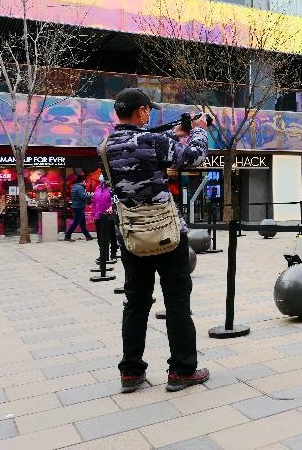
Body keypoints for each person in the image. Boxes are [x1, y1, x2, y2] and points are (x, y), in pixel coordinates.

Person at [100, 88, 210, 394]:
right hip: (166, 234)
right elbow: (193, 157)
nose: (149, 114)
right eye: (148, 110)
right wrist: (198, 132)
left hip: (132, 236)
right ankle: (182, 370)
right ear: (142, 112)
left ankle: (131, 372)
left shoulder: (106, 146)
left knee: (135, 302)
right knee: (176, 301)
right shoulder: (153, 141)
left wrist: (173, 134)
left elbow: (137, 149)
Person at [90, 176, 118, 263]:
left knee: (112, 236)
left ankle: (113, 254)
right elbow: (94, 202)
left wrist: (112, 208)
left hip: (109, 216)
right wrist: (93, 214)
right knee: (100, 237)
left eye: (104, 181)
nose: (103, 183)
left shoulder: (112, 189)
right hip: (98, 216)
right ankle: (103, 255)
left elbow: (116, 201)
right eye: (102, 181)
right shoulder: (98, 188)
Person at [64, 175, 92, 242]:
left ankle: (88, 236)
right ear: (82, 181)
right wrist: (91, 195)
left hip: (76, 206)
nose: (85, 182)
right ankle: (67, 236)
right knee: (76, 222)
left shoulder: (74, 186)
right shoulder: (80, 187)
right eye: (84, 181)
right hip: (79, 206)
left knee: (82, 223)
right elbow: (83, 196)